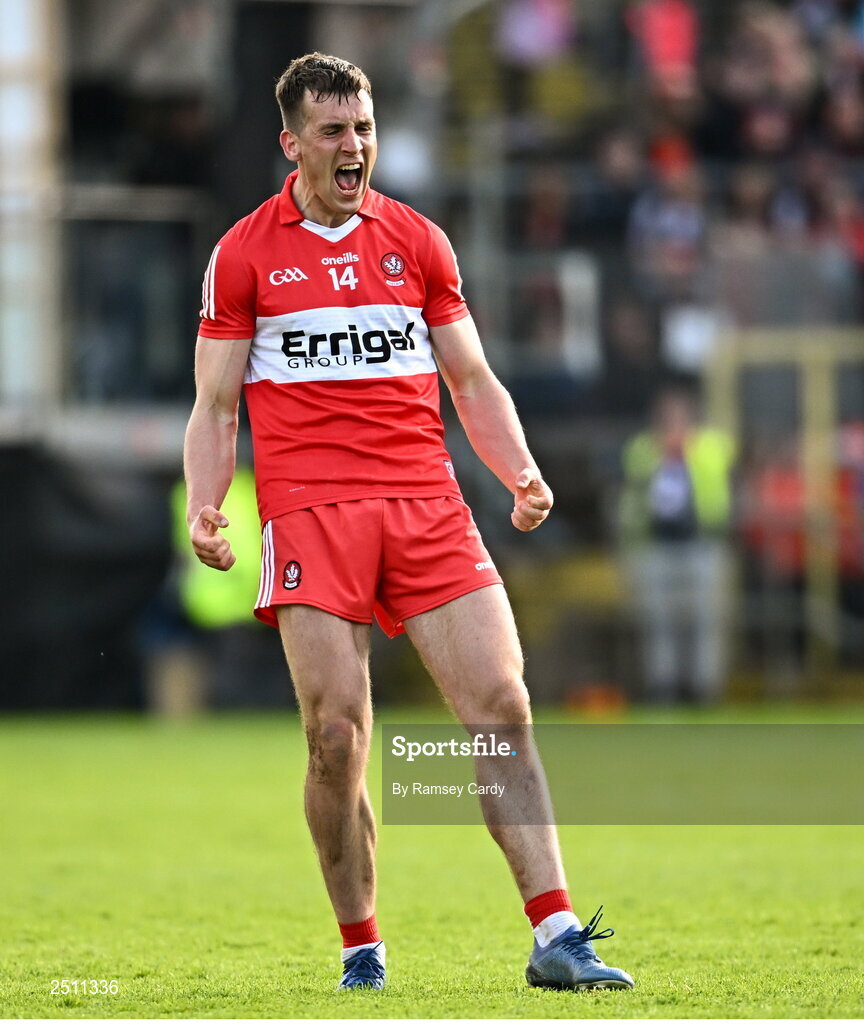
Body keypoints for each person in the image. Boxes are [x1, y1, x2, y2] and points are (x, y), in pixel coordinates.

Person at [183, 52, 633, 993]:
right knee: (337, 737)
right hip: (312, 514)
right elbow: (218, 407)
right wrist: (209, 504)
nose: (356, 148)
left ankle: (556, 935)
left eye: (366, 129)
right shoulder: (244, 255)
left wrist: (519, 470)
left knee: (503, 705)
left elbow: (469, 377)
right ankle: (361, 947)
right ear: (293, 143)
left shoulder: (419, 242)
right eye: (336, 132)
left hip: (427, 503)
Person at [619, 387, 736, 703]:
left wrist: (685, 450)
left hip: (701, 541)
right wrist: (662, 452)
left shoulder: (710, 445)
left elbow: (722, 470)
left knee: (706, 620)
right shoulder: (643, 448)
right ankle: (664, 687)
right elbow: (635, 482)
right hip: (655, 545)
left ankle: (704, 689)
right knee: (658, 621)